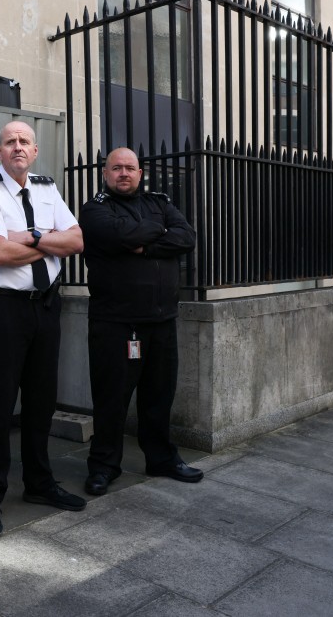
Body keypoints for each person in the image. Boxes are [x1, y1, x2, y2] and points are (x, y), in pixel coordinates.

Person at [0, 121, 86, 538]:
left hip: (46, 306)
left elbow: (76, 242)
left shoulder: (47, 188)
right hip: (4, 309)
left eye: (25, 142)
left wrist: (29, 236)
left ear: (35, 151)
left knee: (41, 401)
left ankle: (38, 484)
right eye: (10, 142)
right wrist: (48, 237)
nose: (18, 147)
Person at [79, 147, 201, 496]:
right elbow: (121, 236)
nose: (123, 174)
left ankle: (161, 458)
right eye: (116, 168)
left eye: (130, 168)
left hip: (162, 321)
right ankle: (104, 466)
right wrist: (152, 234)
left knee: (159, 395)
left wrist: (144, 244)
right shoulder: (95, 210)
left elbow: (186, 238)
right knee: (112, 399)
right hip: (115, 323)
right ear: (105, 173)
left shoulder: (160, 203)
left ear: (140, 173)